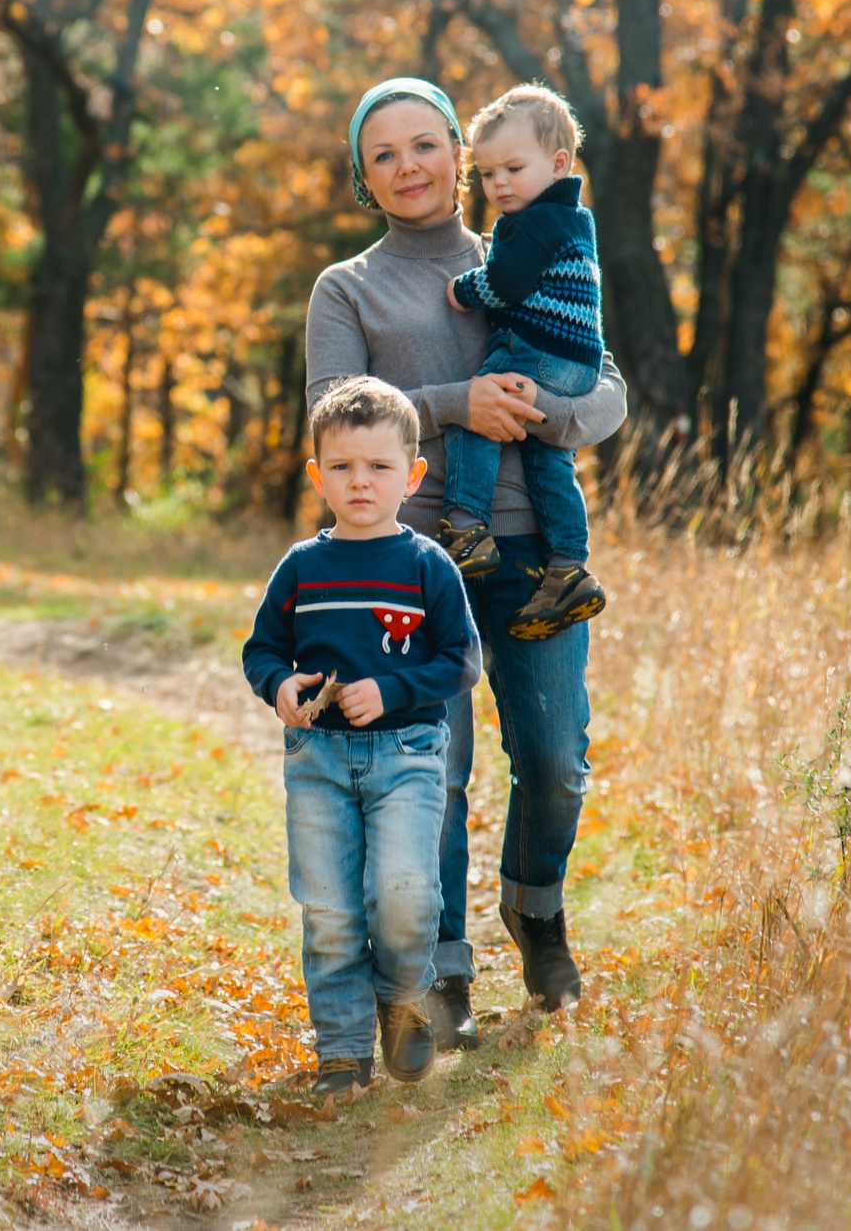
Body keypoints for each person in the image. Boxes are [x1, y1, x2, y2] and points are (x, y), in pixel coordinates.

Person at [305, 78, 628, 1043]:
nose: (408, 167)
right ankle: (441, 969)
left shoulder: (530, 243)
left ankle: (536, 909)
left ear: (460, 152)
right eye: (383, 155)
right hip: (409, 555)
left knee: (557, 761)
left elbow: (606, 387)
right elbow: (334, 407)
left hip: (532, 550)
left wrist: (537, 413)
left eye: (424, 146)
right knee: (430, 772)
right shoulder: (348, 287)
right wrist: (458, 403)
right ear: (366, 179)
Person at [242, 377, 478, 1095]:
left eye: (378, 467)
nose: (360, 481)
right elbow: (261, 649)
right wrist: (280, 685)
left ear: (412, 475)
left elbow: (462, 659)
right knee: (331, 908)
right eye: (342, 466)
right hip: (317, 759)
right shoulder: (302, 567)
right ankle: (342, 1051)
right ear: (318, 476)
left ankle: (403, 995)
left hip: (407, 755)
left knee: (404, 892)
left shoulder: (426, 565)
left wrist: (396, 689)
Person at [438, 86, 609, 638]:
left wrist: (465, 289)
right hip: (575, 361)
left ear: (559, 163)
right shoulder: (569, 218)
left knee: (479, 410)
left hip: (537, 349)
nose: (499, 184)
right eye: (487, 174)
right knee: (548, 458)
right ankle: (568, 566)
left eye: (513, 168)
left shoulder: (535, 221)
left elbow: (507, 283)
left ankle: (466, 525)